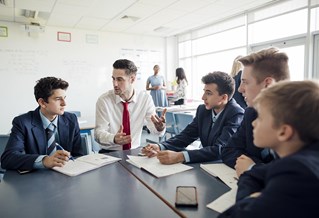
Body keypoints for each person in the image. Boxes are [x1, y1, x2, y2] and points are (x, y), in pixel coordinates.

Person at [219, 80, 319, 218]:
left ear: (283, 132)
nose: (253, 123)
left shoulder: (298, 171)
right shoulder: (303, 157)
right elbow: (251, 175)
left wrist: (252, 200)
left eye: (261, 118)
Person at [142, 71, 244, 164]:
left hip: (225, 167)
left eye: (209, 93)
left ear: (223, 97)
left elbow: (219, 149)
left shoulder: (236, 114)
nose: (203, 97)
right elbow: (186, 136)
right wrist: (160, 146)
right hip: (206, 164)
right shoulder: (203, 110)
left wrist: (180, 156)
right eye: (204, 92)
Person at [221, 47, 290, 177]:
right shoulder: (251, 113)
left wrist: (253, 168)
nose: (240, 90)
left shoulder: (304, 121)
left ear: (268, 84)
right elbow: (229, 150)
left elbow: (295, 179)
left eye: (245, 82)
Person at [1, 77, 84, 171]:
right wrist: (44, 160)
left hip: (66, 177)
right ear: (42, 102)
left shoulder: (71, 119)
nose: (64, 103)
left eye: (64, 98)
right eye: (58, 99)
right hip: (36, 179)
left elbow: (78, 156)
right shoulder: (22, 122)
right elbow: (8, 159)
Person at [95, 59, 166, 151]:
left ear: (132, 79)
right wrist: (114, 139)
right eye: (113, 79)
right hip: (110, 152)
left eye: (120, 79)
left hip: (134, 151)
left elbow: (154, 131)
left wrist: (160, 128)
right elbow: (98, 134)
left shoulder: (145, 99)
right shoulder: (104, 100)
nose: (115, 84)